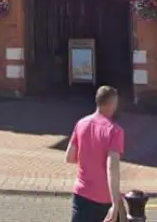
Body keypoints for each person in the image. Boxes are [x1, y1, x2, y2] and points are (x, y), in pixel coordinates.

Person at [65, 85, 125, 222]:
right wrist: (115, 203)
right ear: (111, 104)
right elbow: (112, 167)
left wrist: (88, 158)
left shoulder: (81, 124)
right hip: (103, 198)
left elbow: (69, 157)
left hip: (81, 194)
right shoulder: (115, 131)